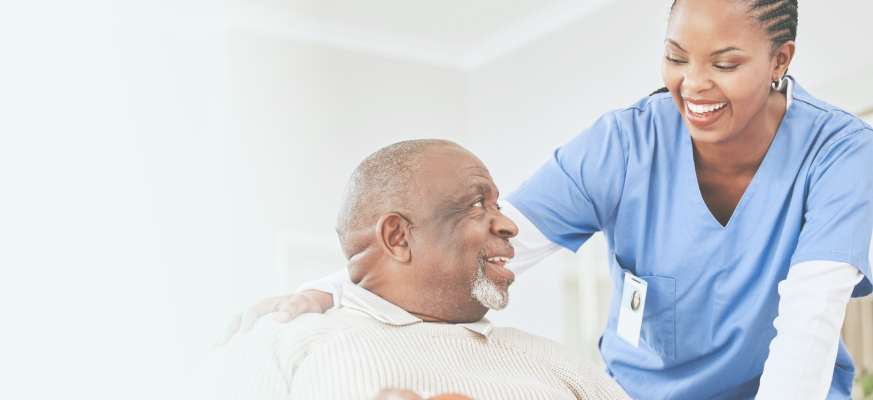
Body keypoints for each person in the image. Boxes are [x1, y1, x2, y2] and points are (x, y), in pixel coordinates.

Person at [214, 0, 873, 398]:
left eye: (724, 63)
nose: (693, 85)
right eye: (676, 59)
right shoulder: (626, 143)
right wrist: (316, 292)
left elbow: (809, 323)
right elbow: (489, 244)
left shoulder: (838, 148)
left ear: (780, 58)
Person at [196, 139, 629, 400]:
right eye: (479, 204)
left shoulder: (560, 365)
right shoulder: (282, 340)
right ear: (398, 237)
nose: (510, 223)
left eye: (497, 204)